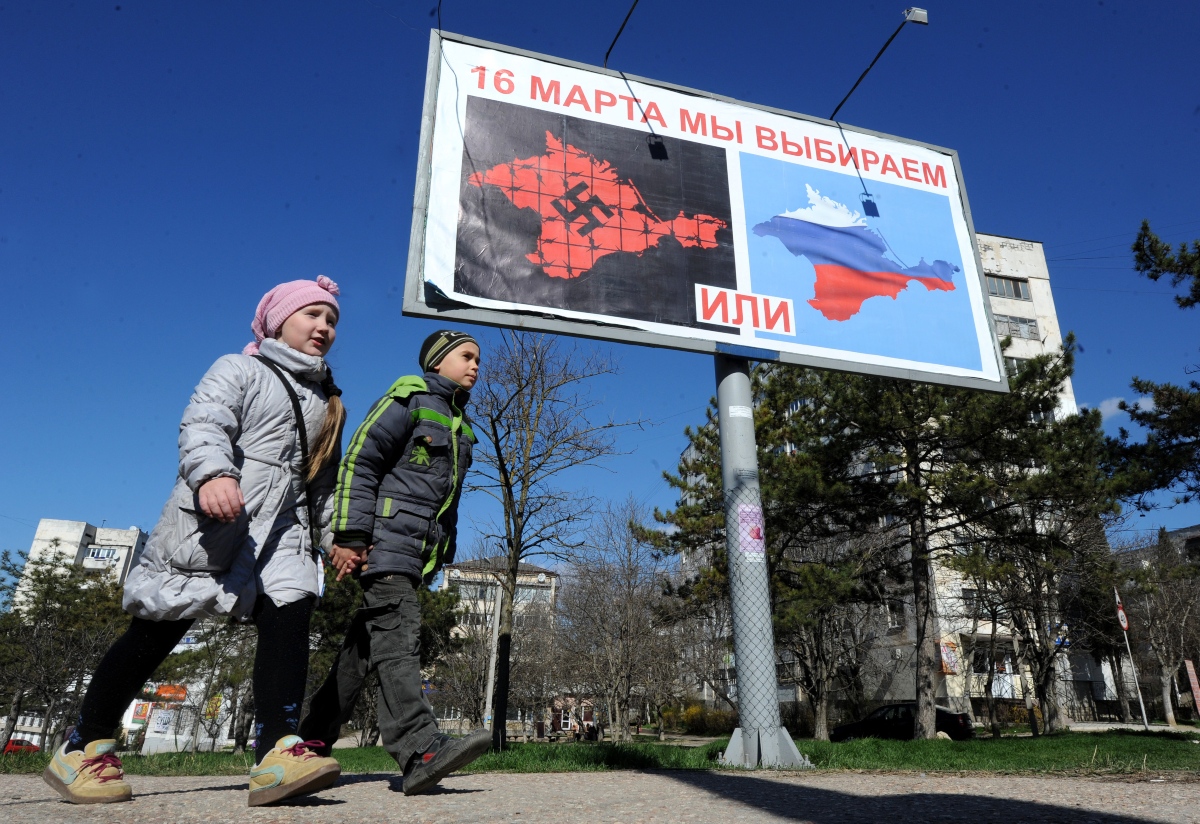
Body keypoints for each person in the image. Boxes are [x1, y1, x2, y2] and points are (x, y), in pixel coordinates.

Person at [44, 277, 347, 807]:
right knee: (158, 628)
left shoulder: (328, 400)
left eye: (332, 321)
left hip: (284, 533)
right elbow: (204, 423)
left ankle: (277, 751)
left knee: (291, 618)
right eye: (313, 315)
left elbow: (322, 481)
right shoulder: (239, 367)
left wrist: (334, 538)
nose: (324, 327)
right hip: (215, 522)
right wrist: (213, 474)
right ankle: (83, 745)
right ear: (278, 321)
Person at [299, 330, 490, 796]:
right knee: (399, 638)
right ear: (438, 361)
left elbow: (444, 503)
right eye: (466, 356)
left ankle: (305, 747)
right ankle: (420, 750)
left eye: (478, 360)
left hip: (413, 555)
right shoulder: (408, 398)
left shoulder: (460, 425)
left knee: (362, 652)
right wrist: (348, 535)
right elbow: (361, 463)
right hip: (382, 546)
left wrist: (439, 554)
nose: (475, 366)